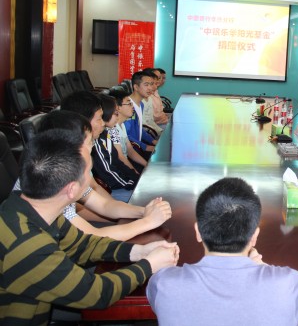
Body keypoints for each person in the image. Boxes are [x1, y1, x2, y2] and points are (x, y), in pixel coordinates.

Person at [0, 129, 179, 325]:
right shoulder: (26, 244)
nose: (91, 180)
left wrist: (138, 251)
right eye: (87, 173)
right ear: (71, 189)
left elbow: (84, 245)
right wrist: (149, 265)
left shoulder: (35, 210)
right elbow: (96, 293)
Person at [147, 177, 298, 326]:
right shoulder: (286, 284)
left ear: (198, 231)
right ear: (254, 237)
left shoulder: (165, 283)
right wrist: (263, 267)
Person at [20, 109, 172, 241]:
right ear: (70, 145)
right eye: (89, 142)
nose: (92, 146)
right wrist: (147, 222)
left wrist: (143, 211)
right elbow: (93, 236)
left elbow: (105, 205)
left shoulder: (68, 171)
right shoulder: (53, 183)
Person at [94, 94, 138, 202]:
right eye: (115, 113)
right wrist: (130, 183)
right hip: (113, 188)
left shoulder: (106, 134)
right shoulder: (96, 141)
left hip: (122, 182)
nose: (117, 117)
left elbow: (117, 161)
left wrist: (135, 178)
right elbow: (107, 171)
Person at [124, 70, 158, 157]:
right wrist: (145, 146)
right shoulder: (128, 106)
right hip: (130, 151)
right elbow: (126, 135)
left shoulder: (141, 104)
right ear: (136, 87)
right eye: (146, 85)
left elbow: (139, 128)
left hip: (138, 147)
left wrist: (153, 141)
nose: (150, 88)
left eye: (151, 84)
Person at [112, 90, 148, 172]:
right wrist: (135, 173)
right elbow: (121, 158)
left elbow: (130, 150)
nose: (133, 106)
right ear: (118, 107)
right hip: (120, 168)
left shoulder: (122, 125)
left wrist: (147, 165)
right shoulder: (113, 128)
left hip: (127, 162)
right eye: (129, 104)